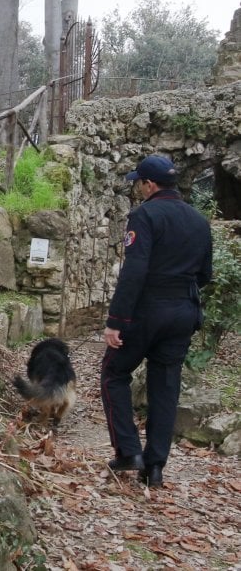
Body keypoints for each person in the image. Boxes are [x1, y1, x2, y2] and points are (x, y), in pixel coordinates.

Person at [101, 155, 212, 487]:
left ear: (149, 185)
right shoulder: (198, 220)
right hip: (184, 311)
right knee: (165, 387)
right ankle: (155, 467)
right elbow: (205, 274)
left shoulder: (144, 215)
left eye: (139, 183)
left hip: (147, 310)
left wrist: (116, 320)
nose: (138, 189)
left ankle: (128, 452)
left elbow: (135, 270)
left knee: (113, 373)